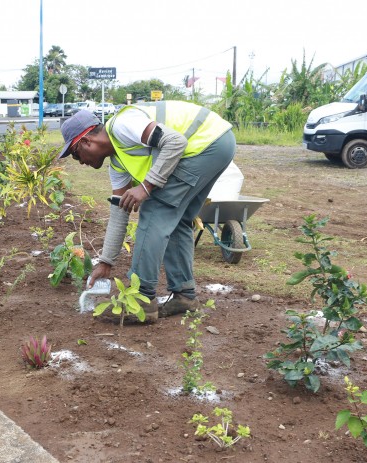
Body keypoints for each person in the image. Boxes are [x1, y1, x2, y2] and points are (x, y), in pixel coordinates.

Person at [58, 101, 235, 321]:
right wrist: (106, 262)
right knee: (176, 219)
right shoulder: (118, 163)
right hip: (216, 143)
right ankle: (185, 296)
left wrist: (146, 186)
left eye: (75, 155)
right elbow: (119, 212)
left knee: (153, 209)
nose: (80, 162)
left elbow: (175, 141)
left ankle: (141, 302)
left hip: (205, 143)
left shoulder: (122, 125)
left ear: (86, 141)